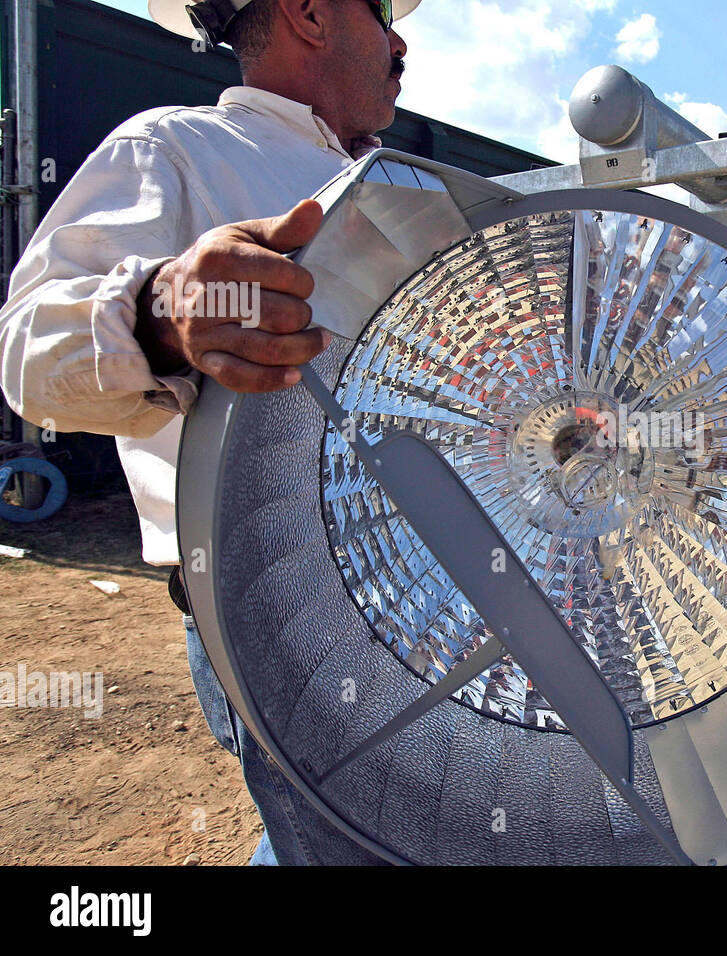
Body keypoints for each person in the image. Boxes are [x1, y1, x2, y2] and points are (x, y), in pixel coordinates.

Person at [0, 0, 421, 863]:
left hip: (438, 603)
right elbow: (25, 353)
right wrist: (156, 311)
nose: (401, 39)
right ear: (309, 13)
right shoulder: (173, 150)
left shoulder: (403, 189)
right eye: (382, 13)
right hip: (288, 619)